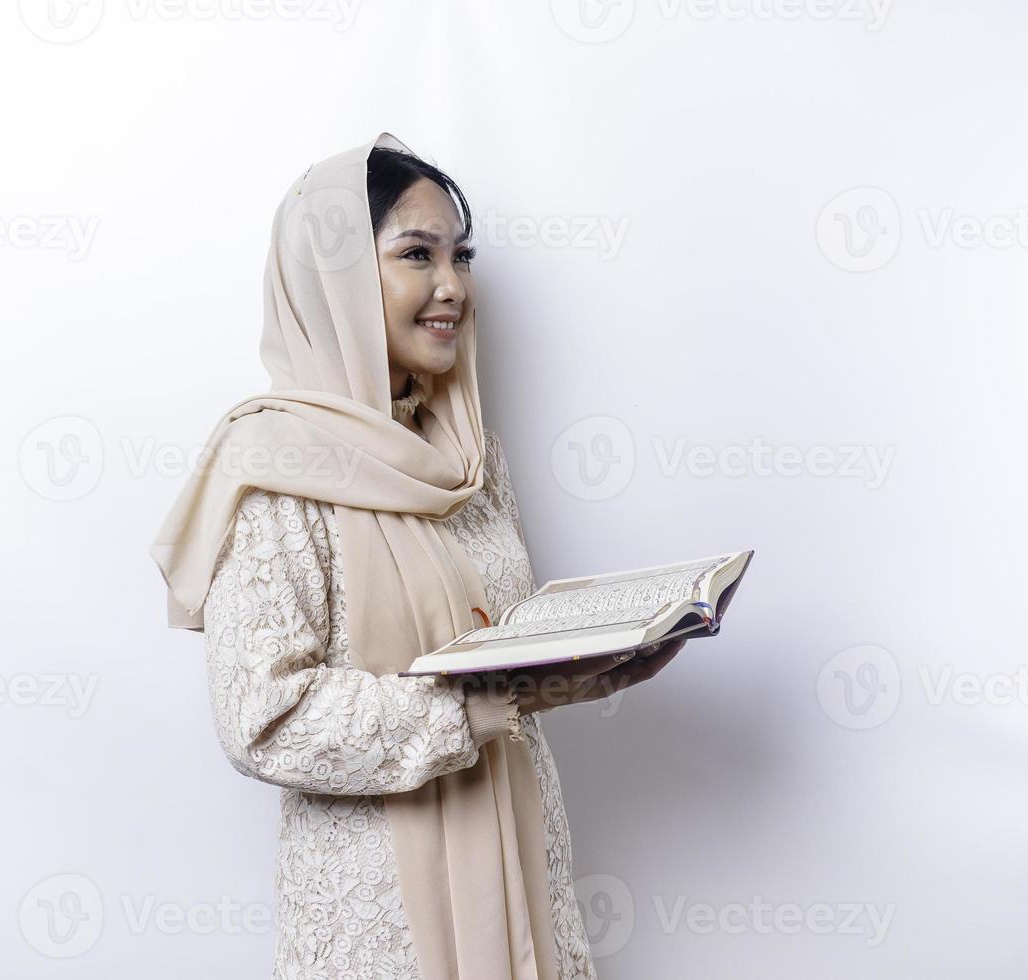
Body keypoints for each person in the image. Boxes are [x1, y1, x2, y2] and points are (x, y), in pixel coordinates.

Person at [151, 132, 683, 980]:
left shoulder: (467, 453)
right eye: (416, 254)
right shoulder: (276, 467)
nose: (453, 287)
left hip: (515, 846)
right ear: (336, 280)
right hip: (386, 905)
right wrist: (462, 714)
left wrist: (600, 661)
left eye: (460, 256)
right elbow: (264, 717)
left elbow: (495, 652)